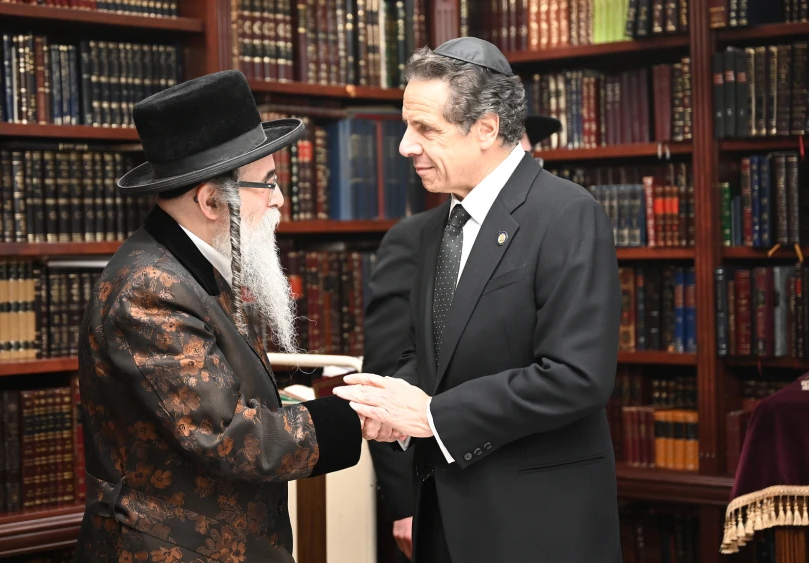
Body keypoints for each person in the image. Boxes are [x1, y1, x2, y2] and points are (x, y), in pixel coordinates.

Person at [73, 70, 401, 563]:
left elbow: (221, 376)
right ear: (210, 199)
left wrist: (334, 385)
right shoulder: (150, 289)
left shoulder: (188, 264)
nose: (279, 200)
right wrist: (356, 418)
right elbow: (227, 436)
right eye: (267, 184)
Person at [335, 37, 622, 563]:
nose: (404, 146)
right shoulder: (435, 226)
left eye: (425, 129)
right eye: (407, 125)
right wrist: (393, 409)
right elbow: (432, 356)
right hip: (443, 519)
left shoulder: (566, 214)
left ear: (487, 128)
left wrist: (434, 417)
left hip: (536, 527)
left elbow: (577, 376)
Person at [362, 110, 562, 562]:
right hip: (440, 492)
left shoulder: (556, 224)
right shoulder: (421, 238)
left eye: (528, 154)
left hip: (528, 487)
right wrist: (404, 505)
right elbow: (396, 369)